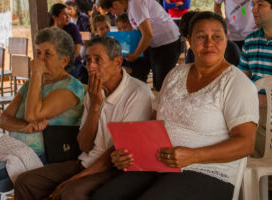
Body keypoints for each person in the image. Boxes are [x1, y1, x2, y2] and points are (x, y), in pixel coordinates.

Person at [93, 11, 259, 200]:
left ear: (227, 39)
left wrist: (194, 156)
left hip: (208, 170)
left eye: (217, 37)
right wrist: (129, 153)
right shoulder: (175, 75)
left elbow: (246, 144)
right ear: (189, 39)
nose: (209, 43)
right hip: (158, 162)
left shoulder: (236, 84)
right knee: (104, 195)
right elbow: (153, 123)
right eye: (201, 36)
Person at [14, 37, 154, 200]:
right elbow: (85, 145)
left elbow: (116, 153)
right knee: (25, 181)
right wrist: (95, 106)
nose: (91, 66)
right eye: (88, 60)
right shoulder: (95, 91)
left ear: (117, 62)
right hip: (87, 162)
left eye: (97, 60)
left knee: (71, 192)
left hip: (115, 168)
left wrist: (73, 180)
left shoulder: (138, 93)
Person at [0, 27, 85, 200]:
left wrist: (36, 75)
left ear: (64, 60)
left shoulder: (70, 87)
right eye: (38, 52)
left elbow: (32, 115)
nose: (40, 59)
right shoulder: (31, 85)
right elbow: (4, 119)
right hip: (14, 147)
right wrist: (25, 128)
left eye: (47, 54)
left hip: (44, 153)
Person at [99, 0, 181, 91]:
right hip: (156, 45)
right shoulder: (130, 7)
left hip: (167, 44)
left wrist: (135, 55)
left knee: (162, 86)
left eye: (110, 11)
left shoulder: (135, 4)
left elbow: (147, 34)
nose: (113, 13)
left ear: (115, 4)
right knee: (157, 83)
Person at [238, 0, 272, 158]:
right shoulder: (250, 40)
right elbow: (242, 77)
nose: (253, 10)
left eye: (260, 5)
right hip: (254, 104)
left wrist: (267, 99)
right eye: (253, 5)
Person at [50, 3, 88, 84]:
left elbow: (77, 51)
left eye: (68, 14)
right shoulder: (50, 32)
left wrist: (65, 65)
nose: (68, 17)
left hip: (72, 65)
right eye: (64, 14)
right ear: (54, 17)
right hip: (57, 66)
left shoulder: (72, 28)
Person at [115, 13, 151, 83]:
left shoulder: (141, 42)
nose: (122, 31)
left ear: (133, 26)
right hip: (122, 78)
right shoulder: (118, 43)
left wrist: (132, 70)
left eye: (125, 27)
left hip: (138, 78)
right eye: (119, 28)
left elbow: (146, 65)